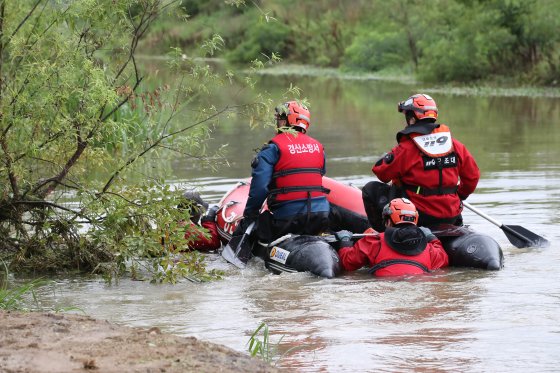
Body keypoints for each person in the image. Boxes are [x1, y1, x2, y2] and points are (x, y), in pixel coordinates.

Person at [362, 93, 480, 232]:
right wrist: (458, 196)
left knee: (371, 189)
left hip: (419, 215)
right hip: (451, 214)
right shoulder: (455, 145)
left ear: (412, 119)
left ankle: (386, 237)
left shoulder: (407, 148)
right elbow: (472, 177)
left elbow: (382, 173)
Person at [232, 100, 330, 244]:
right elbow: (320, 174)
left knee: (248, 226)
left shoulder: (272, 148)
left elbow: (259, 188)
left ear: (286, 122)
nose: (277, 122)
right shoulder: (319, 148)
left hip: (287, 220)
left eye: (279, 119)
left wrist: (249, 217)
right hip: (321, 217)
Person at [334, 198, 449, 277]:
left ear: (388, 221)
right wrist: (431, 237)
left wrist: (345, 241)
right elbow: (443, 260)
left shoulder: (375, 241)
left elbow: (348, 263)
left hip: (386, 287)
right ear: (415, 219)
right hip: (419, 284)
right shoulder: (428, 247)